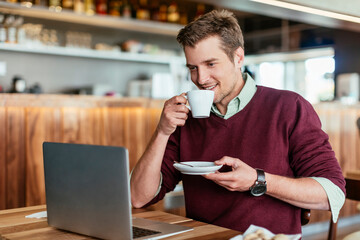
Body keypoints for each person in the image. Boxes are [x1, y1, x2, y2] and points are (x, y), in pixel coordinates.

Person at [130, 9, 346, 234]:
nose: (201, 79)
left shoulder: (289, 107)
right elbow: (138, 197)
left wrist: (257, 180)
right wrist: (163, 131)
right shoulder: (185, 120)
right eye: (193, 68)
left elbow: (332, 194)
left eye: (211, 64)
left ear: (238, 57)